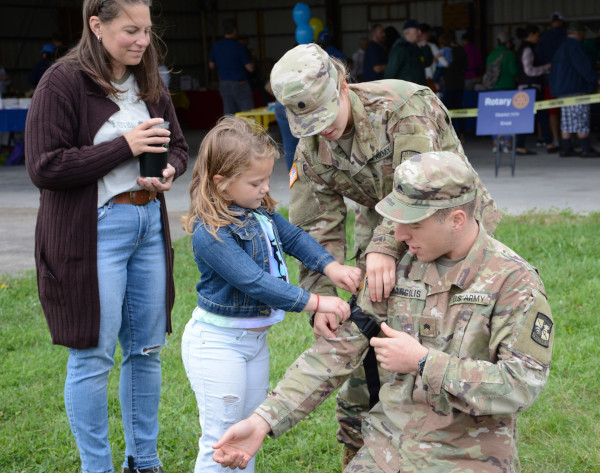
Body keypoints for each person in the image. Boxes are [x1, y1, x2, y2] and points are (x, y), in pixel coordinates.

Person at [212, 151, 554, 473]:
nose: (398, 235)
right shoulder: (397, 266)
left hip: (467, 457)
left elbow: (520, 384)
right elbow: (336, 351)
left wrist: (424, 362)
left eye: (414, 225)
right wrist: (262, 421)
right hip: (387, 450)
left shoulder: (513, 282)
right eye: (396, 222)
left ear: (456, 219)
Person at [268, 43, 501, 467]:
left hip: (447, 227)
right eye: (309, 123)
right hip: (383, 225)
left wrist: (382, 248)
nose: (324, 131)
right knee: (360, 326)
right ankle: (361, 442)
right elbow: (317, 227)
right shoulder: (311, 149)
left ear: (343, 84)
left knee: (447, 331)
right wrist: (324, 300)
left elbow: (420, 192)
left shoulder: (402, 107)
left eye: (325, 115)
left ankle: (463, 436)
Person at [24, 0, 189, 471]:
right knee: (93, 356)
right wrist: (125, 147)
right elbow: (44, 165)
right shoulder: (62, 82)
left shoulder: (148, 78)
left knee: (147, 350)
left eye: (147, 31)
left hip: (147, 226)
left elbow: (176, 144)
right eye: (130, 31)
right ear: (96, 25)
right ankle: (97, 467)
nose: (141, 41)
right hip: (92, 230)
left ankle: (145, 460)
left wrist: (170, 169)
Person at [181, 116, 362, 473]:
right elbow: (253, 282)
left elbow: (293, 238)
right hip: (219, 344)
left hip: (253, 343)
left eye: (267, 179)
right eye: (255, 182)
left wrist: (330, 266)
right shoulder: (210, 231)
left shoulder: (258, 212)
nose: (266, 189)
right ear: (220, 183)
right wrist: (316, 301)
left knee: (247, 433)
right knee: (220, 438)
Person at [549, 21, 600, 158]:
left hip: (562, 91)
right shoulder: (576, 47)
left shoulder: (561, 48)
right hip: (576, 89)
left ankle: (566, 148)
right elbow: (584, 67)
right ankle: (586, 148)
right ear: (579, 33)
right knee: (581, 118)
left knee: (566, 120)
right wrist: (596, 79)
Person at [514, 24, 556, 156]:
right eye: (537, 35)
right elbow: (529, 71)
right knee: (541, 116)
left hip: (526, 88)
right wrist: (546, 67)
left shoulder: (523, 48)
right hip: (530, 89)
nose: (538, 38)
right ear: (531, 35)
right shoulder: (527, 49)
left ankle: (523, 145)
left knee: (531, 117)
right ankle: (547, 144)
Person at [209, 19, 254, 115]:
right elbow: (250, 68)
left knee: (229, 113)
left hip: (224, 83)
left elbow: (211, 65)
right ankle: (248, 130)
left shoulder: (216, 46)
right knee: (247, 112)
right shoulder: (239, 47)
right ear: (235, 30)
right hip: (239, 83)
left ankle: (230, 130)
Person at [536, 12, 567, 149]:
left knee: (551, 110)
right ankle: (567, 139)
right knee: (566, 109)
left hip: (548, 78)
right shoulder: (566, 36)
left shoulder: (544, 37)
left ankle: (554, 138)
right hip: (566, 79)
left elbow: (538, 57)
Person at [485, 31, 518, 153]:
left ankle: (496, 143)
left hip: (493, 91)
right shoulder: (509, 54)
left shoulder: (491, 55)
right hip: (508, 89)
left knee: (496, 118)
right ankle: (507, 144)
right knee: (508, 118)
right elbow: (514, 71)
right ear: (507, 42)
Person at [384, 19, 432, 85]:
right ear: (408, 32)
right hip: (405, 92)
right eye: (417, 30)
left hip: (417, 90)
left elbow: (427, 62)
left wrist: (425, 47)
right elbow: (390, 72)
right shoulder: (400, 49)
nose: (420, 33)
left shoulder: (416, 48)